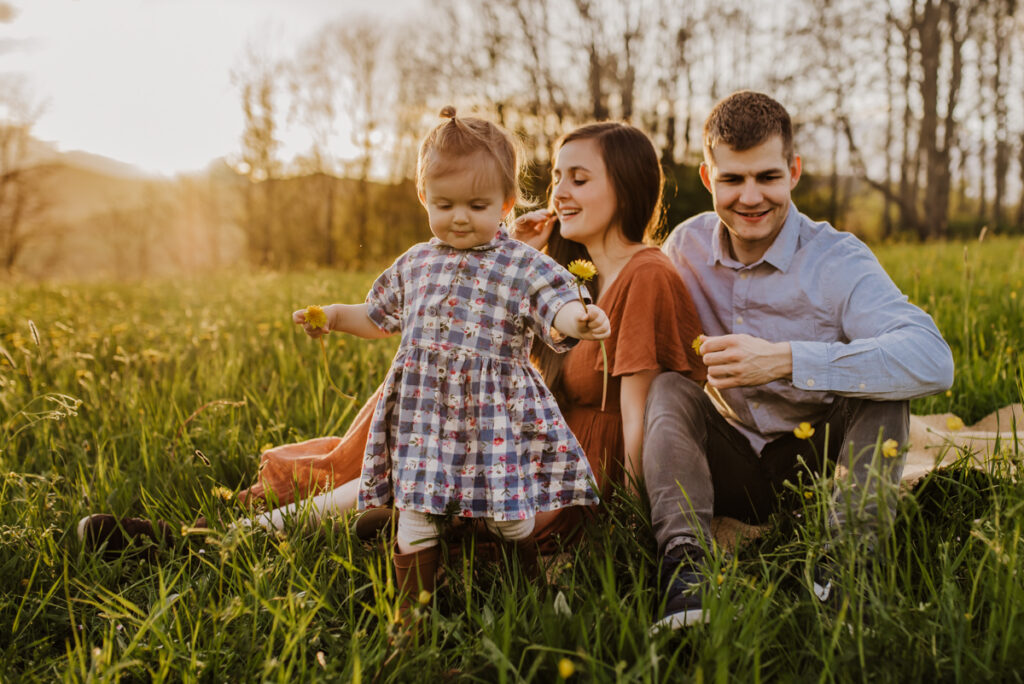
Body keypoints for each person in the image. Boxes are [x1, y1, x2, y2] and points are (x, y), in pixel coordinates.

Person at [79, 120, 706, 586]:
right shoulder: (573, 276)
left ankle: (214, 543)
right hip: (504, 444)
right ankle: (234, 536)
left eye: (579, 177)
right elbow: (506, 356)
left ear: (623, 185)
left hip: (563, 471)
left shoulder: (644, 275)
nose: (560, 191)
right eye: (557, 175)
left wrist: (625, 521)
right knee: (420, 392)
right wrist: (514, 256)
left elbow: (642, 413)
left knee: (416, 448)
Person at [644, 91, 955, 630]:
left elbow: (932, 358)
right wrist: (547, 243)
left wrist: (786, 360)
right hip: (729, 452)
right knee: (670, 388)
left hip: (817, 459)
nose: (750, 197)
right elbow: (623, 307)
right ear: (706, 176)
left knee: (886, 388)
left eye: (767, 177)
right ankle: (686, 569)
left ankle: (846, 565)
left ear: (794, 171)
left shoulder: (838, 258)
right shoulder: (684, 246)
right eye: (732, 179)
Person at [291, 107, 608, 620]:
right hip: (424, 418)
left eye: (478, 205)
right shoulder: (416, 262)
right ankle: (411, 620)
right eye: (444, 204)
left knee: (510, 517)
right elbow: (376, 316)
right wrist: (330, 316)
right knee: (415, 516)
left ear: (506, 203)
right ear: (423, 197)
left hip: (494, 418)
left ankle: (532, 597)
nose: (460, 217)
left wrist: (579, 319)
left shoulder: (521, 262)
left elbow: (557, 303)